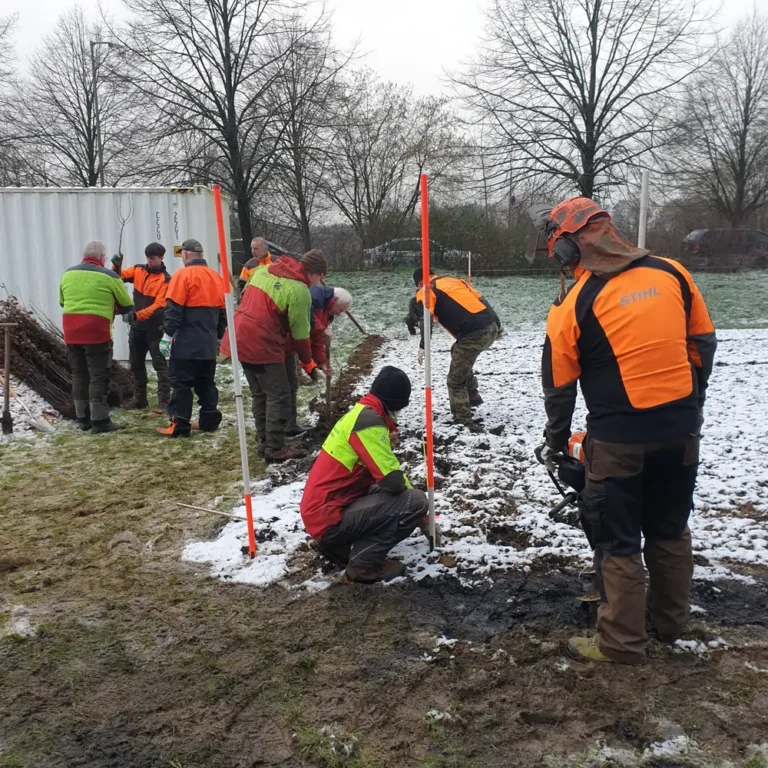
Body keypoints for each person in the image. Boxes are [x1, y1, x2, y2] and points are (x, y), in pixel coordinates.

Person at [531, 196, 717, 666]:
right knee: (670, 529)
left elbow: (559, 386)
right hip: (681, 433)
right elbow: (703, 344)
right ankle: (671, 623)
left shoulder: (574, 304)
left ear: (568, 251)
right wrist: (689, 405)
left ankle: (620, 643)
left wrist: (557, 442)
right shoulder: (673, 273)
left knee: (617, 542)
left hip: (618, 442)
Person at [300, 365, 433, 583]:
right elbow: (394, 482)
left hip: (322, 510)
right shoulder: (369, 424)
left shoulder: (359, 415)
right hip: (328, 517)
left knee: (385, 492)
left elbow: (381, 474)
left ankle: (337, 546)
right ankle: (364, 565)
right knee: (415, 502)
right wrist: (423, 513)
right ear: (395, 403)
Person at [221, 249, 328, 460]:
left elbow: (247, 300)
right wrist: (308, 363)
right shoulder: (299, 290)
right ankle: (275, 448)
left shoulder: (262, 271)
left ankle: (264, 441)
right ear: (317, 273)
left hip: (239, 337)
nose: (319, 283)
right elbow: (300, 335)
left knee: (260, 394)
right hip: (262, 342)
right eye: (321, 277)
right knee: (278, 395)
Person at [59, 240, 134, 433]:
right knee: (98, 377)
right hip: (96, 333)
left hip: (72, 332)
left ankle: (82, 419)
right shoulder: (109, 276)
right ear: (102, 258)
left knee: (79, 374)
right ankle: (100, 422)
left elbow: (62, 301)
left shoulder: (68, 274)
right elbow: (127, 306)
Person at [157, 239, 227, 437]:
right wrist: (217, 336)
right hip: (208, 343)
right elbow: (222, 314)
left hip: (186, 343)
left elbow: (174, 311)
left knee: (181, 384)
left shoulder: (182, 275)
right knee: (206, 383)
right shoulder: (215, 277)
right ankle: (209, 420)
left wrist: (167, 336)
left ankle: (179, 425)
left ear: (185, 255)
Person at [413, 269, 500, 423]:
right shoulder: (453, 281)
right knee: (458, 353)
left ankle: (463, 417)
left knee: (455, 380)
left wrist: (423, 345)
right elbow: (482, 300)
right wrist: (498, 326)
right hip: (490, 327)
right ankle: (473, 395)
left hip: (473, 334)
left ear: (419, 282)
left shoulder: (426, 289)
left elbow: (425, 318)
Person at [111, 243, 171, 412]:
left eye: (153, 258)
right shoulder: (138, 270)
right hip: (137, 328)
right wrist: (117, 265)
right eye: (148, 258)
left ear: (161, 258)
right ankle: (140, 399)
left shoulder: (166, 280)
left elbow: (159, 306)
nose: (150, 261)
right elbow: (117, 277)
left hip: (155, 328)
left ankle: (164, 400)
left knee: (159, 365)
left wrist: (136, 315)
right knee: (136, 364)